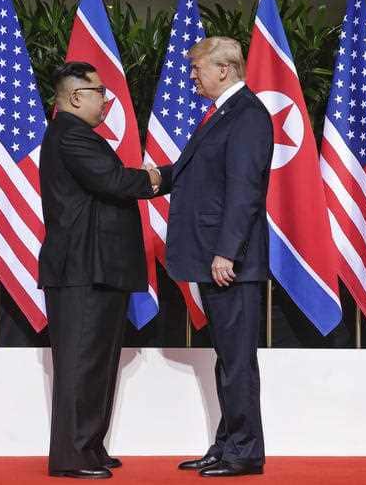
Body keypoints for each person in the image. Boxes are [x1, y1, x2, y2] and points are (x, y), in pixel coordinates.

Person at [147, 37, 273, 477]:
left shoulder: (248, 115)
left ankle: (244, 452)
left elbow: (244, 191)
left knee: (237, 359)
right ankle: (226, 445)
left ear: (224, 69)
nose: (192, 75)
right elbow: (192, 173)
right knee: (227, 357)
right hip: (214, 257)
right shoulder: (223, 113)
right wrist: (150, 177)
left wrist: (226, 253)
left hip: (230, 263)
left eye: (196, 67)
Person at [38, 61, 161, 479]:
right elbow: (113, 181)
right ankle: (72, 456)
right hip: (81, 270)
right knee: (81, 364)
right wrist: (161, 177)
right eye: (100, 92)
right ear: (75, 97)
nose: (107, 100)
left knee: (98, 364)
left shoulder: (76, 135)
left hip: (98, 268)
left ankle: (89, 447)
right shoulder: (70, 134)